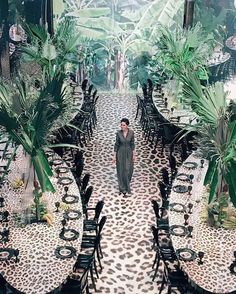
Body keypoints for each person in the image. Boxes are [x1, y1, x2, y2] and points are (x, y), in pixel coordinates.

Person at [113, 118, 135, 196]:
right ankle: (122, 188)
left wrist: (134, 154)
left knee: (129, 170)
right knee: (121, 170)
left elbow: (132, 144)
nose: (121, 126)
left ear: (127, 126)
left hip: (129, 152)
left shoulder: (131, 133)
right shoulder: (118, 133)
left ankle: (126, 184)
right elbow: (116, 144)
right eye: (121, 125)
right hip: (120, 152)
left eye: (123, 125)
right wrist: (114, 155)